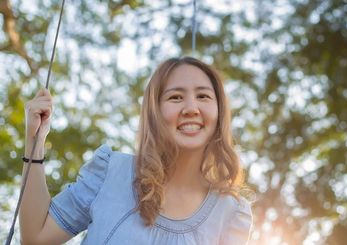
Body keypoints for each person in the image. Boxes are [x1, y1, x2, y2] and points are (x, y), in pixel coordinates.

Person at [20, 57, 253, 244]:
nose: (191, 108)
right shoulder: (111, 172)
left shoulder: (232, 215)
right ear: (155, 112)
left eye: (203, 96)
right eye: (175, 97)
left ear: (219, 112)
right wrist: (35, 141)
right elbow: (36, 239)